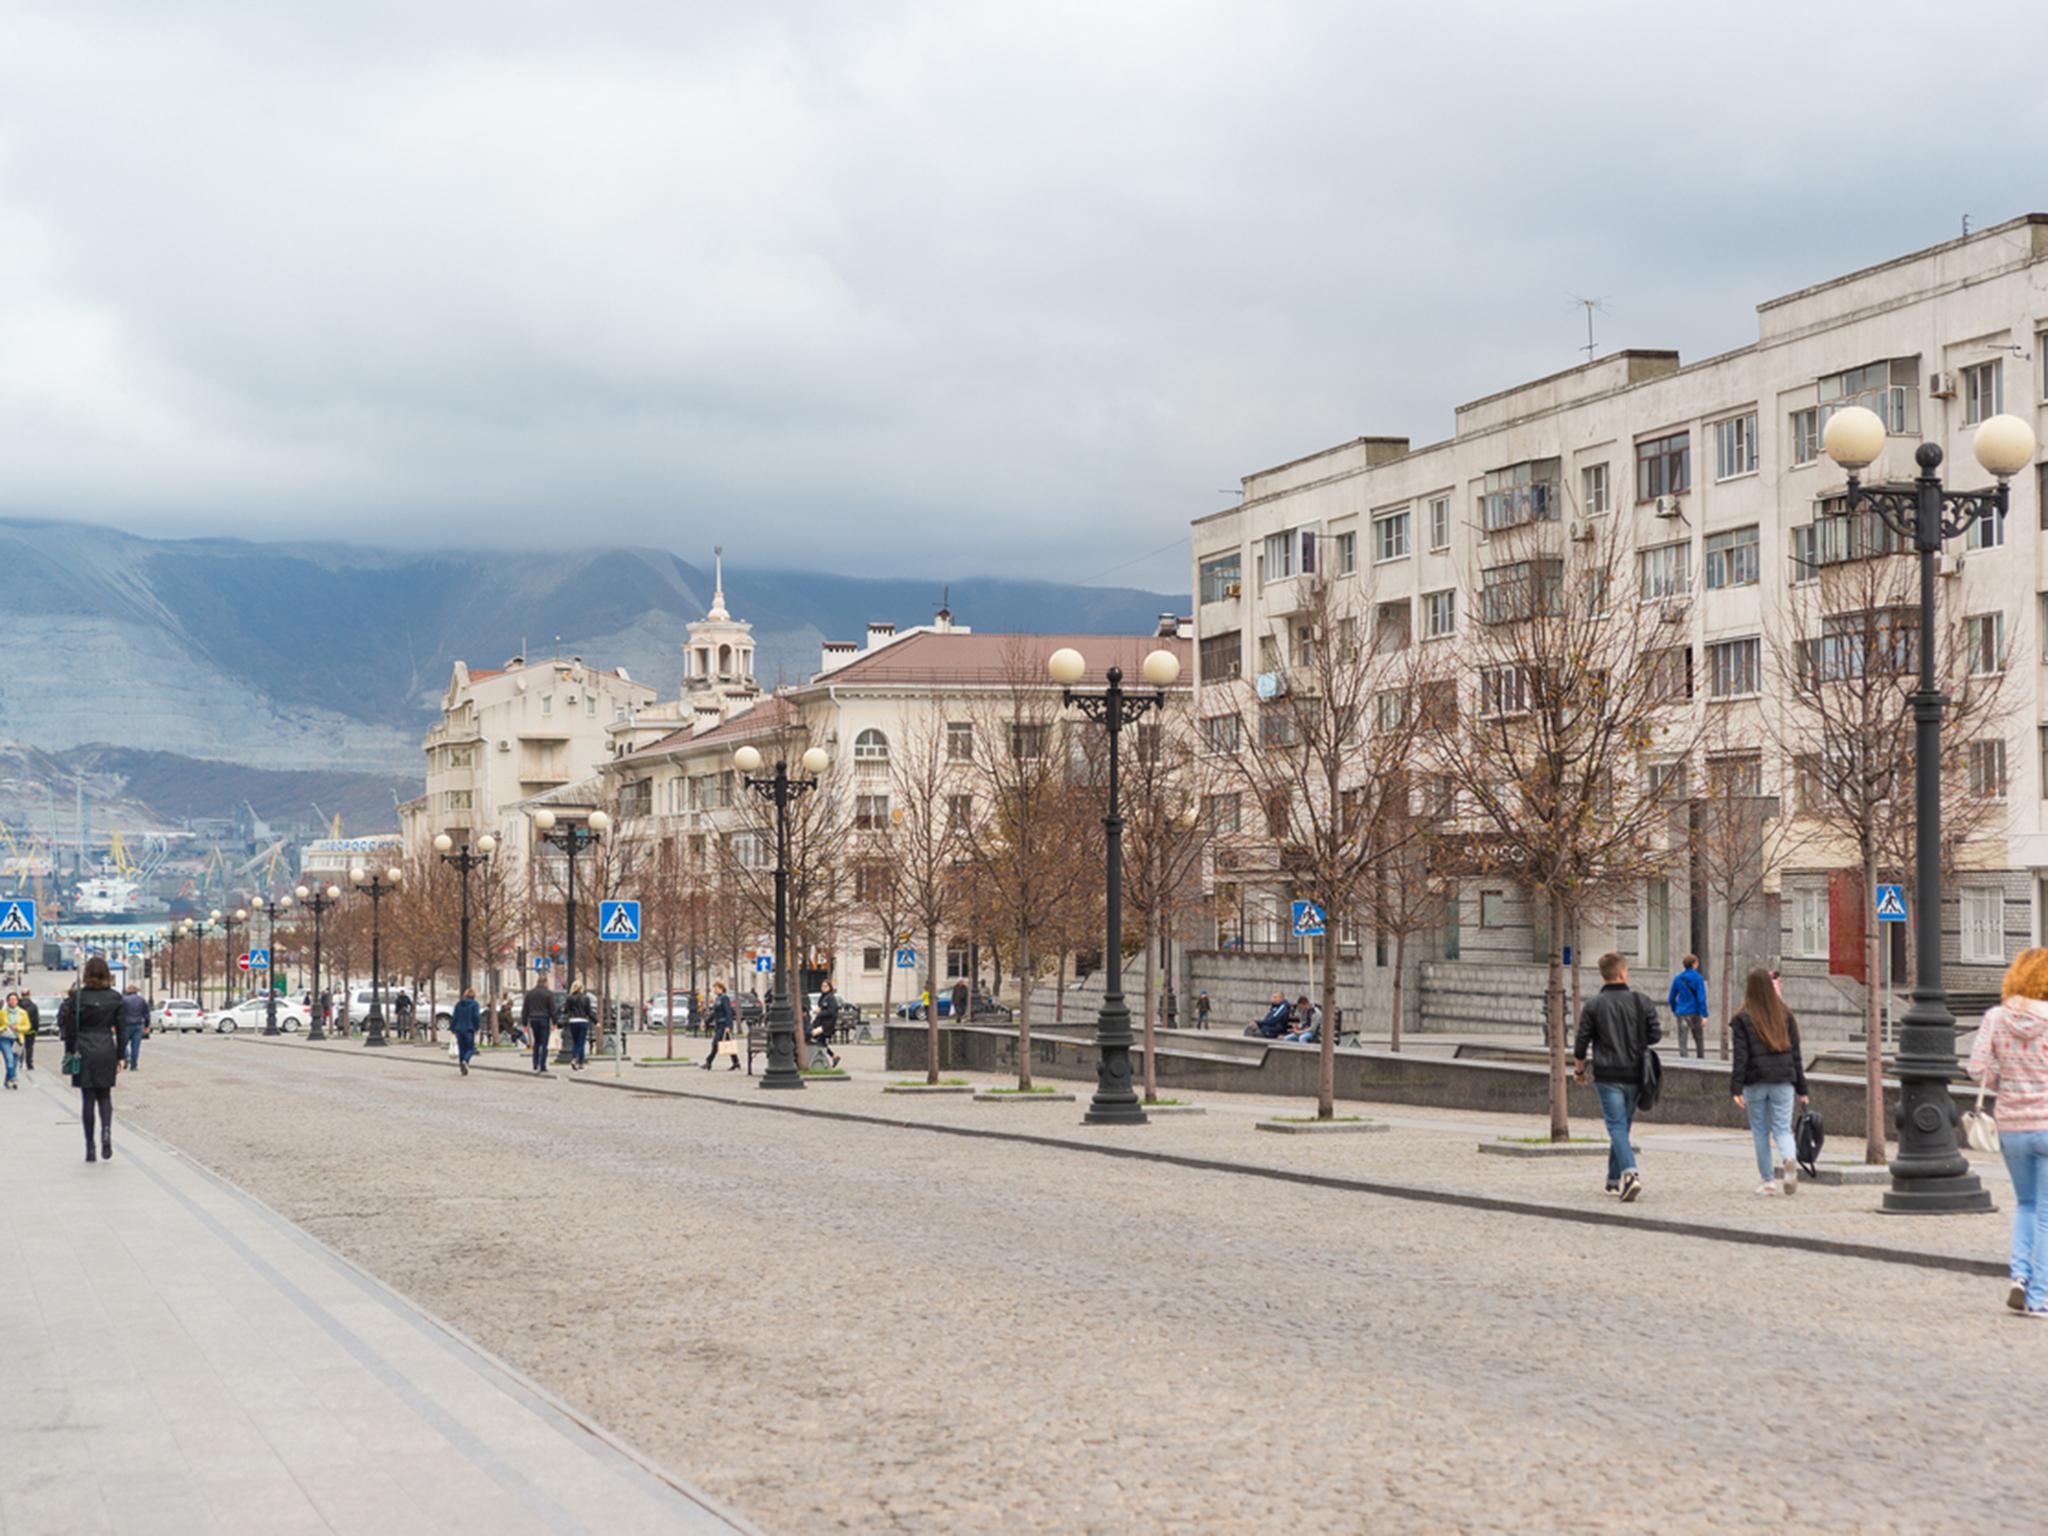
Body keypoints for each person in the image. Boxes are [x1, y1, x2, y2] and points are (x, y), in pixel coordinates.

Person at [1968, 947, 2048, 1317]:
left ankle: (2019, 1276)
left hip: (2012, 1127)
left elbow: (1976, 1067)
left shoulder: (1995, 1018)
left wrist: (2005, 1077)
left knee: (2026, 1206)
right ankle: (2040, 1297)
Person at [1572, 952, 1662, 1202]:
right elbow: (1655, 1035)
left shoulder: (1593, 1005)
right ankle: (1613, 1180)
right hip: (1635, 1073)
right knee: (1622, 1125)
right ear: (1622, 973)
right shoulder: (1640, 1001)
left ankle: (1630, 1174)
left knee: (1616, 1126)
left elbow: (1581, 1045)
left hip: (1607, 1074)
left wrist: (1579, 1071)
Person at [1729, 966, 1807, 1197]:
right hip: (1784, 1080)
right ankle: (1789, 1160)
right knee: (1783, 1129)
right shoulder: (1785, 1015)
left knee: (1760, 1132)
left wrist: (1736, 1087)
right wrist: (1802, 1088)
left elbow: (1740, 1056)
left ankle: (1768, 1181)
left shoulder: (1742, 1018)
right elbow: (1796, 1054)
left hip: (1755, 1081)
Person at [60, 957, 124, 1162]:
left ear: (86, 974)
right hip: (106, 1047)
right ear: (106, 974)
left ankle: (90, 1147)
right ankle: (106, 1130)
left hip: (84, 1048)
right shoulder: (115, 997)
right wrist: (121, 1056)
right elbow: (121, 1030)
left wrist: (70, 1051)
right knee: (105, 1095)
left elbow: (69, 1029)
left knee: (87, 1098)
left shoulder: (77, 998)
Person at [1668, 954, 1708, 1059]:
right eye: (1697, 963)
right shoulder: (1699, 978)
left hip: (1681, 1012)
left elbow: (1671, 998)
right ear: (1694, 964)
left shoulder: (1677, 979)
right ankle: (1701, 1060)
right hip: (1695, 1012)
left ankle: (1684, 1061)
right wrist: (1704, 1014)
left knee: (1682, 1039)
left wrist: (1674, 1009)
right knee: (1698, 1038)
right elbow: (1701, 998)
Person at [521, 974, 558, 1074]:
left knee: (536, 1042)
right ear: (545, 983)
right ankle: (542, 1065)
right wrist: (555, 1022)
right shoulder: (548, 994)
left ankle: (535, 1063)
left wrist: (524, 1023)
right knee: (544, 1043)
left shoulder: (530, 993)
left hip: (533, 1019)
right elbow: (552, 1009)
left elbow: (525, 1009)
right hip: (544, 1019)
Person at [702, 981, 738, 1071]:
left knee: (715, 1044)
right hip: (719, 1025)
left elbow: (728, 1012)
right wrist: (706, 1022)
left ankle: (708, 1062)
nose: (714, 990)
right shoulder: (718, 999)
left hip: (723, 1025)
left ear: (721, 988)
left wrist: (728, 1026)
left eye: (716, 988)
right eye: (714, 988)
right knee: (729, 1044)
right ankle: (736, 1062)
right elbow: (714, 1013)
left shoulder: (725, 998)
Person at [810, 980, 842, 1068]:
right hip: (820, 1023)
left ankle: (821, 1059)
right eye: (822, 986)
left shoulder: (831, 998)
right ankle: (833, 1057)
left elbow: (831, 1012)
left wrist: (820, 1012)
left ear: (829, 987)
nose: (823, 988)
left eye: (825, 986)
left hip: (826, 1025)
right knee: (821, 1041)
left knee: (815, 1036)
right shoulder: (823, 997)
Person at [450, 986, 482, 1076]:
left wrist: (452, 1028)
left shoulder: (459, 1004)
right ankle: (465, 1060)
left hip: (459, 1029)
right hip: (469, 1029)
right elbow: (476, 1017)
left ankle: (461, 1064)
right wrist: (477, 1027)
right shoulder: (475, 1004)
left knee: (462, 1048)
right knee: (470, 1048)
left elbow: (455, 1017)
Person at [118, 983, 149, 1071]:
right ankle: (134, 1066)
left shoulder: (124, 1000)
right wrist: (146, 1025)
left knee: (123, 1044)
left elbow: (120, 1013)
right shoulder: (141, 1000)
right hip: (138, 1025)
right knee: (135, 1046)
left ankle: (126, 1057)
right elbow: (146, 1014)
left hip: (126, 1025)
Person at [563, 984, 594, 1071]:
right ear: (582, 988)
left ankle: (573, 1058)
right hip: (583, 1021)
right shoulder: (586, 998)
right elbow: (589, 1012)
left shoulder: (569, 998)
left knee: (575, 1042)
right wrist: (596, 1021)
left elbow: (566, 1010)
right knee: (581, 1043)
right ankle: (580, 1063)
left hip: (573, 1021)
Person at [0, 993, 24, 1089]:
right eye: (11, 999)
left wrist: (19, 1027)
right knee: (9, 1058)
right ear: (7, 1001)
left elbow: (27, 1025)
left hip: (17, 1039)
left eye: (15, 1000)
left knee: (14, 1061)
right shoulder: (2, 1013)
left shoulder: (22, 1013)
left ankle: (8, 1079)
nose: (13, 1001)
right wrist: (3, 1028)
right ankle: (13, 1078)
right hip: (4, 1038)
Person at [17, 990, 37, 1072]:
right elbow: (36, 1019)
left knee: (19, 1046)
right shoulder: (33, 1006)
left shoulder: (18, 1005)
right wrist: (36, 1029)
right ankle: (29, 1064)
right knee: (29, 1048)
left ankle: (19, 1063)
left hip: (19, 1030)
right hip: (30, 1030)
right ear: (29, 994)